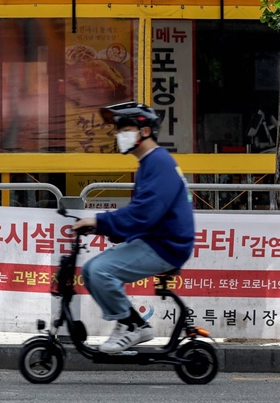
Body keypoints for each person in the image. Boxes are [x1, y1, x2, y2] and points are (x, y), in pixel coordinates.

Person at [72, 101, 195, 353]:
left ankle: (131, 326)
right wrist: (113, 230)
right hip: (157, 240)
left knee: (98, 270)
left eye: (124, 128)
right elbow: (147, 215)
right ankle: (133, 323)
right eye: (117, 130)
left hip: (164, 245)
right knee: (94, 270)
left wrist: (100, 222)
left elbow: (145, 212)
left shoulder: (158, 162)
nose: (118, 135)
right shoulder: (150, 164)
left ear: (145, 131)